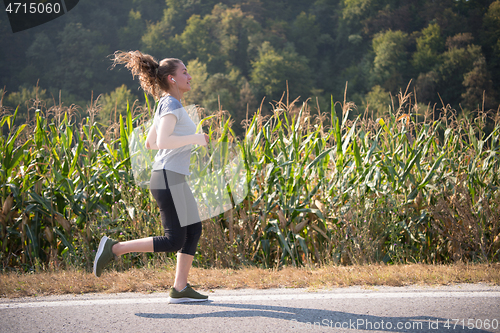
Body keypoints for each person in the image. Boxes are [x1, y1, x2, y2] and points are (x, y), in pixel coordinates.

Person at [93, 50, 209, 303]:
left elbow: (149, 143)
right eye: (184, 71)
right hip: (168, 177)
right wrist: (196, 138)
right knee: (173, 240)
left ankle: (180, 288)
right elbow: (163, 141)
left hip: (172, 176)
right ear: (171, 78)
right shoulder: (170, 104)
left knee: (194, 230)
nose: (189, 76)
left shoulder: (167, 104)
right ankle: (114, 248)